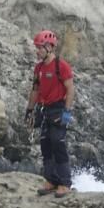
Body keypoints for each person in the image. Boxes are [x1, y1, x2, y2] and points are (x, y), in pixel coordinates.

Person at [25, 30, 76, 198]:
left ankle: (65, 183)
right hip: (44, 109)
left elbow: (70, 89)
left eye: (39, 48)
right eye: (37, 48)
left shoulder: (61, 66)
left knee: (58, 143)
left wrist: (67, 113)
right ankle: (51, 180)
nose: (37, 51)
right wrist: (29, 111)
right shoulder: (38, 68)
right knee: (45, 144)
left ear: (49, 47)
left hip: (58, 108)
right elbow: (35, 90)